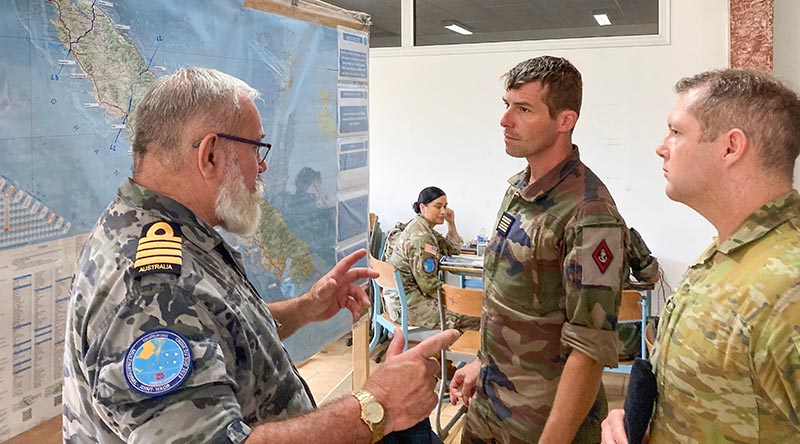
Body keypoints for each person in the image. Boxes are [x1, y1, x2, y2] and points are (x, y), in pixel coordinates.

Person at [62, 67, 460, 444]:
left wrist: (306, 308)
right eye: (256, 148)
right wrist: (378, 406)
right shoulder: (153, 287)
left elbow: (219, 334)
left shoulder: (169, 232)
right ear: (211, 155)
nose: (263, 165)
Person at [601, 69, 800, 443]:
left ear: (730, 147)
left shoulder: (789, 287)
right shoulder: (729, 252)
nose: (661, 146)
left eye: (676, 132)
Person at [449, 56, 630, 443]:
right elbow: (507, 300)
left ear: (566, 120)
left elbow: (590, 349)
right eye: (506, 105)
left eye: (524, 109)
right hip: (489, 405)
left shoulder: (590, 214)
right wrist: (483, 361)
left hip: (542, 424)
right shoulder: (519, 189)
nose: (505, 120)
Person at [386, 186, 480, 330]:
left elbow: (453, 250)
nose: (443, 212)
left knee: (472, 309)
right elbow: (429, 286)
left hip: (406, 299)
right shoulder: (421, 238)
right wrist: (460, 299)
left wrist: (451, 223)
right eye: (438, 207)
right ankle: (457, 351)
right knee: (475, 316)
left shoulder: (422, 226)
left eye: (445, 206)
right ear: (423, 207)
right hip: (408, 305)